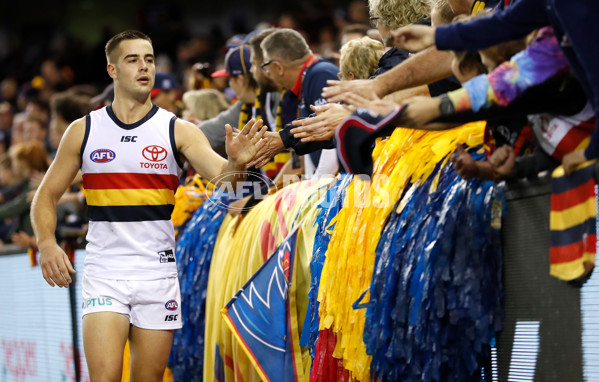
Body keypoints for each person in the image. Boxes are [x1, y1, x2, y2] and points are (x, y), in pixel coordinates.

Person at [30, 30, 265, 382]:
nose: (144, 67)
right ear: (112, 70)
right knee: (105, 376)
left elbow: (229, 187)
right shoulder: (84, 130)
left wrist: (238, 164)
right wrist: (46, 244)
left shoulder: (179, 130)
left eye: (150, 59)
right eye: (133, 59)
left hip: (157, 272)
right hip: (104, 270)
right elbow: (44, 196)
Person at [391, 0, 599, 173]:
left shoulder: (541, 72)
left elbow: (494, 90)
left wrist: (408, 112)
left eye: (490, 70)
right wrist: (437, 36)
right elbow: (506, 23)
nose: (490, 75)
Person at [250, 28, 340, 177]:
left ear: (278, 67)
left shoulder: (320, 75)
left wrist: (317, 185)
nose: (268, 74)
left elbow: (332, 130)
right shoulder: (311, 77)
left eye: (266, 67)